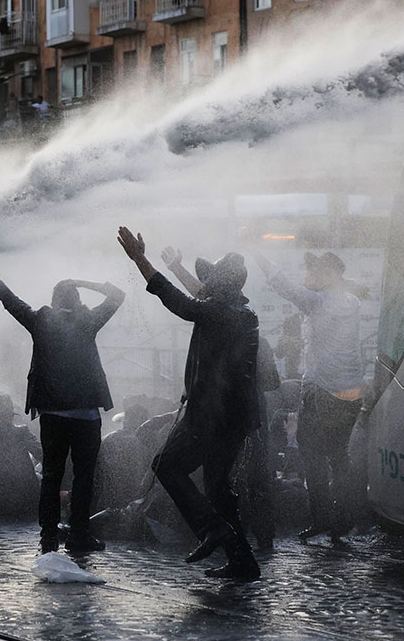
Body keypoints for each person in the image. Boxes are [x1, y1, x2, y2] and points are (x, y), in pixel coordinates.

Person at [117, 227, 261, 580]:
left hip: (211, 414)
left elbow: (180, 303)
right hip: (234, 416)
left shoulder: (219, 312)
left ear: (220, 286)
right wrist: (176, 268)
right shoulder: (239, 311)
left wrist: (140, 260)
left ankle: (211, 528)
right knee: (217, 487)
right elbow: (199, 298)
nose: (205, 283)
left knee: (165, 465)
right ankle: (242, 560)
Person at [0, 249, 126, 554]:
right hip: (86, 415)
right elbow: (118, 295)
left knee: (52, 477)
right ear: (77, 301)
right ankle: (79, 535)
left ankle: (48, 538)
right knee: (84, 477)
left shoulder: (41, 320)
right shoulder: (88, 320)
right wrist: (83, 282)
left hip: (53, 414)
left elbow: (11, 302)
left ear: (54, 302)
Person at [255, 250, 366, 542]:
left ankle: (322, 518)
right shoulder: (350, 301)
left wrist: (257, 252)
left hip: (322, 392)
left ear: (327, 275)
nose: (307, 277)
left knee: (312, 455)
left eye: (312, 271)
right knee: (339, 455)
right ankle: (345, 517)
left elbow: (284, 286)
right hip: (351, 392)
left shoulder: (319, 302)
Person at [93, 403, 152, 512]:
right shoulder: (146, 445)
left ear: (125, 421)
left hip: (105, 500)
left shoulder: (107, 439)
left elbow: (96, 472)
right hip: (133, 503)